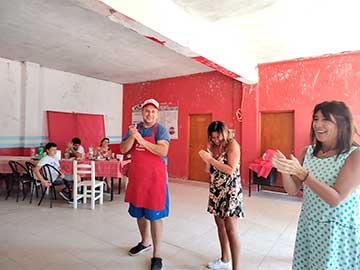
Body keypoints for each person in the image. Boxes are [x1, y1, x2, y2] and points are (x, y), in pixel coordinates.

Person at [271, 101, 360, 270]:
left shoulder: (355, 155)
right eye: (315, 119)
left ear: (342, 123)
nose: (318, 124)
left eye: (325, 119)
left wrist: (303, 174)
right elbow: (292, 190)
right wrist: (284, 169)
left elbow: (336, 198)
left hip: (336, 230)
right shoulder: (308, 151)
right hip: (309, 225)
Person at [120, 98, 170, 270]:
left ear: (157, 114)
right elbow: (123, 149)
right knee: (139, 214)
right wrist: (132, 137)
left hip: (155, 180)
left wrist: (141, 140)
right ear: (142, 113)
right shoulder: (135, 129)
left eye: (153, 111)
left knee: (155, 216)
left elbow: (163, 150)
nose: (150, 114)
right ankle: (145, 242)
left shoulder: (161, 130)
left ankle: (157, 255)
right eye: (147, 111)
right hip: (138, 179)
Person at [199, 121, 244, 270]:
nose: (216, 140)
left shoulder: (232, 145)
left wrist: (211, 159)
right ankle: (225, 260)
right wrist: (207, 157)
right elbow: (208, 170)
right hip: (217, 189)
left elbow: (230, 169)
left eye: (218, 137)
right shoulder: (213, 145)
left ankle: (236, 267)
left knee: (231, 228)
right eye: (213, 138)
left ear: (224, 133)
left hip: (230, 191)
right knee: (220, 225)